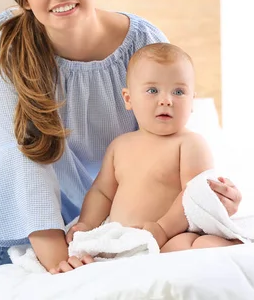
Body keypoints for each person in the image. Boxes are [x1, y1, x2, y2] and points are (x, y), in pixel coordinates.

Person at [0, 0, 243, 274]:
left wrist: (205, 202)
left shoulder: (145, 43)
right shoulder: (2, 40)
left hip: (109, 194)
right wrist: (57, 254)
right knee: (6, 261)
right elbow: (21, 151)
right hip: (17, 178)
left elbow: (168, 143)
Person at [66, 43, 242, 252]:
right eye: (152, 90)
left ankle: (230, 246)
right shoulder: (120, 146)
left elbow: (195, 196)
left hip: (172, 234)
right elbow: (102, 192)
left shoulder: (190, 144)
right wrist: (86, 225)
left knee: (193, 246)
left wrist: (162, 229)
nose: (166, 100)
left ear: (192, 101)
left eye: (178, 91)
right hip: (122, 238)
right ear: (128, 99)